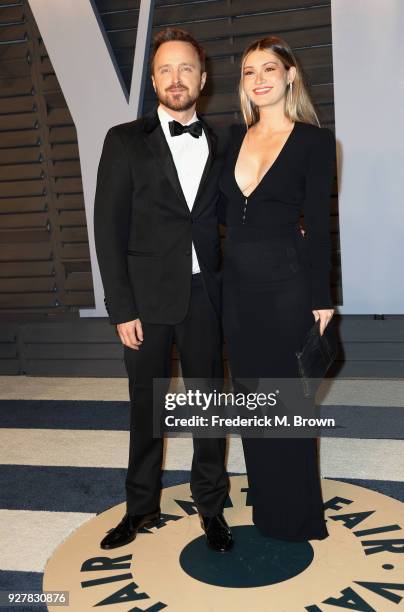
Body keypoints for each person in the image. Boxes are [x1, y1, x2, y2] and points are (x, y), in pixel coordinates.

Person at [94, 27, 232, 552]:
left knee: (208, 406)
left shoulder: (222, 141)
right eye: (166, 70)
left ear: (203, 76)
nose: (177, 79)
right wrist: (120, 307)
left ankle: (212, 509)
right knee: (146, 409)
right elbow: (107, 229)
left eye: (187, 69)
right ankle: (140, 508)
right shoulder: (124, 140)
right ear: (153, 79)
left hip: (206, 298)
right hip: (145, 305)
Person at [218, 35, 336, 541]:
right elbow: (212, 213)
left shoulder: (314, 141)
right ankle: (267, 503)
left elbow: (320, 225)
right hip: (236, 291)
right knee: (250, 400)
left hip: (287, 285)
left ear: (290, 75)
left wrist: (321, 296)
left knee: (288, 402)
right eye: (249, 71)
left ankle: (298, 516)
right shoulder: (229, 139)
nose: (260, 78)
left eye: (269, 68)